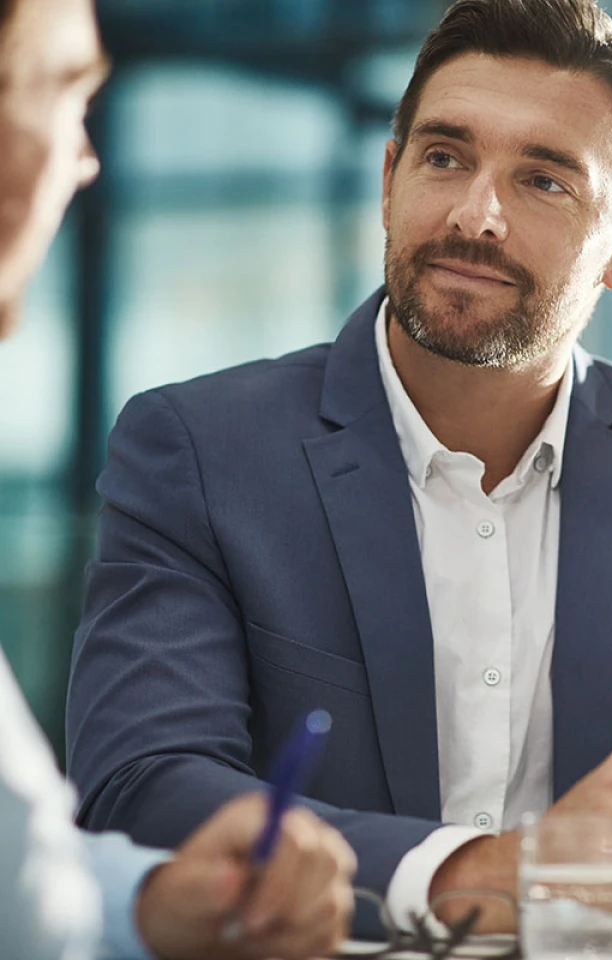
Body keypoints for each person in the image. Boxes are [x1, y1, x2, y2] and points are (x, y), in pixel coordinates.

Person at [64, 0, 612, 946]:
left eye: (543, 181)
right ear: (388, 178)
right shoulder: (202, 450)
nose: (475, 215)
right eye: (445, 157)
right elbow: (142, 781)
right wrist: (481, 871)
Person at [0, 0, 357, 957]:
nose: (85, 160)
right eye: (64, 93)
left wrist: (152, 904)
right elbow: (135, 779)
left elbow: (17, 885)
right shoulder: (193, 444)